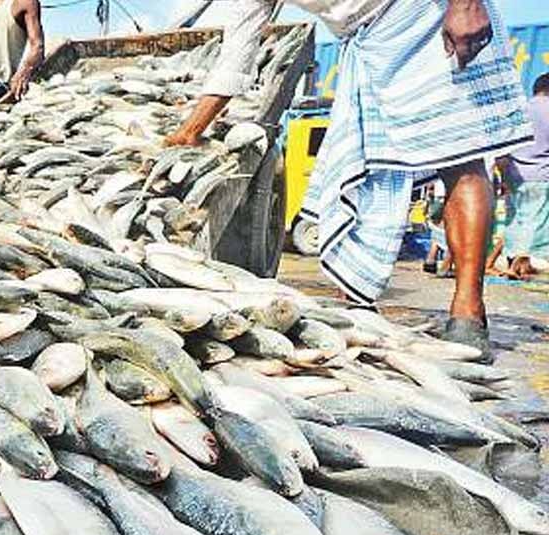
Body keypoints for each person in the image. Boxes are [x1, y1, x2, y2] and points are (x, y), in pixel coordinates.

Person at [166, 0, 531, 361]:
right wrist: (191, 129)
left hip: (427, 15)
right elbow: (238, 51)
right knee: (365, 168)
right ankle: (359, 298)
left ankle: (467, 312)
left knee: (460, 156)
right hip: (367, 43)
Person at [496, 74, 549, 280]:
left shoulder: (519, 109)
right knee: (535, 221)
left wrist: (502, 176)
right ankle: (520, 264)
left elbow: (502, 146)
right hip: (541, 173)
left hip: (513, 172)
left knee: (514, 220)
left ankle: (514, 263)